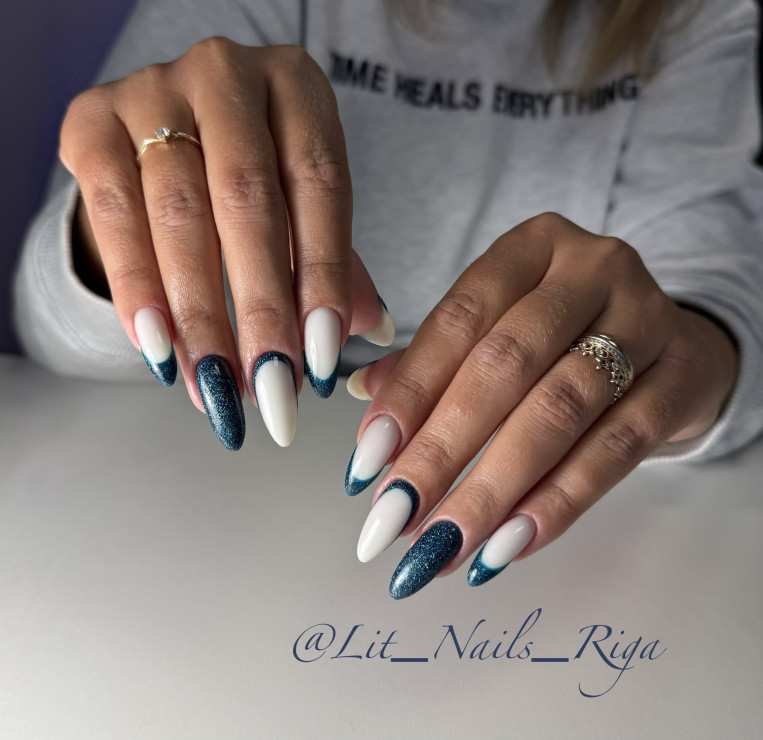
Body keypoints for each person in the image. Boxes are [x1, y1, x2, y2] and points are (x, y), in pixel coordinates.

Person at [13, 0, 763, 599]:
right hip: (182, 530)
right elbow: (52, 334)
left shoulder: (690, 14)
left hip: (602, 570)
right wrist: (123, 237)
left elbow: (718, 309)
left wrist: (691, 357)